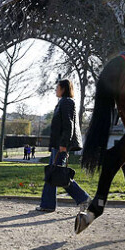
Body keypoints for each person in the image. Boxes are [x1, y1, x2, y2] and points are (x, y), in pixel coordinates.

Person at [35, 79, 90, 213]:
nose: (55, 90)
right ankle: (47, 204)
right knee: (53, 174)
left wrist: (64, 144)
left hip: (61, 145)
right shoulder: (63, 102)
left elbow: (68, 124)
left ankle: (84, 199)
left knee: (59, 175)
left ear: (63, 88)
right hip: (58, 145)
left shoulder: (66, 102)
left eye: (57, 87)